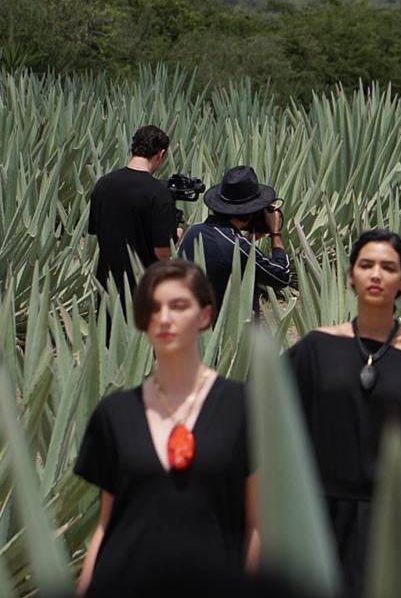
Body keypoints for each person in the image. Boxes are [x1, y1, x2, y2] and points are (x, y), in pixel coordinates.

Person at [75, 260, 257, 596]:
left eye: (178, 306)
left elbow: (257, 525)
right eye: (153, 308)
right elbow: (106, 524)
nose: (164, 318)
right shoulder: (114, 414)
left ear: (204, 316)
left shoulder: (244, 408)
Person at [287, 230, 401, 597]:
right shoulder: (317, 347)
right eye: (366, 265)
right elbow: (272, 419)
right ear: (351, 275)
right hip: (318, 513)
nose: (376, 275)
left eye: (388, 267)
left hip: (394, 518)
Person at [177, 166, 291, 319]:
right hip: (230, 334)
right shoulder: (238, 246)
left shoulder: (193, 231)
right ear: (250, 213)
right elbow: (281, 276)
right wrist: (275, 233)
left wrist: (250, 239)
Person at [88, 125, 177, 301]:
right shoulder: (159, 193)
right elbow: (163, 253)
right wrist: (176, 236)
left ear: (133, 149)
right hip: (142, 289)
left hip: (107, 285)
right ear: (160, 154)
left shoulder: (103, 184)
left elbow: (95, 230)